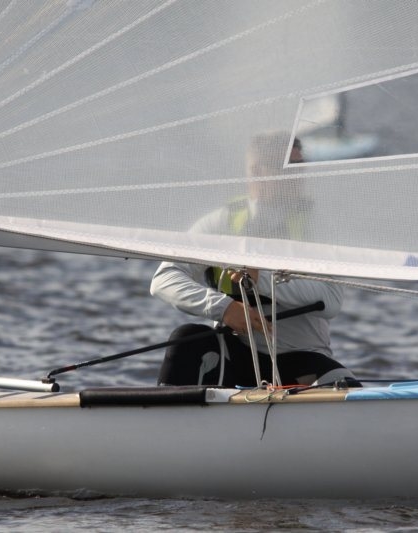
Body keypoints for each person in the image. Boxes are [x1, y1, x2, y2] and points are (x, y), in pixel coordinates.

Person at [150, 132, 356, 387]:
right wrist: (224, 308)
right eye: (288, 166)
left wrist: (261, 279)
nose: (299, 175)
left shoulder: (318, 226)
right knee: (187, 338)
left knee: (344, 384)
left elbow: (332, 300)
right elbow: (163, 280)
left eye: (300, 165)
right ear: (258, 172)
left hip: (301, 358)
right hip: (235, 356)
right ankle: (164, 410)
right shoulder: (221, 223)